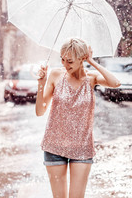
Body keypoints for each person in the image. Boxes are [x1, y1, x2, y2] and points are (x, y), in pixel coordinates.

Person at [36, 38, 121, 198]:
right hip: (54, 146)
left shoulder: (91, 78)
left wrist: (92, 61)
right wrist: (41, 83)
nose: (64, 64)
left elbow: (116, 83)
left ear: (82, 59)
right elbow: (40, 111)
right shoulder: (55, 75)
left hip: (82, 147)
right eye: (62, 59)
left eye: (69, 61)